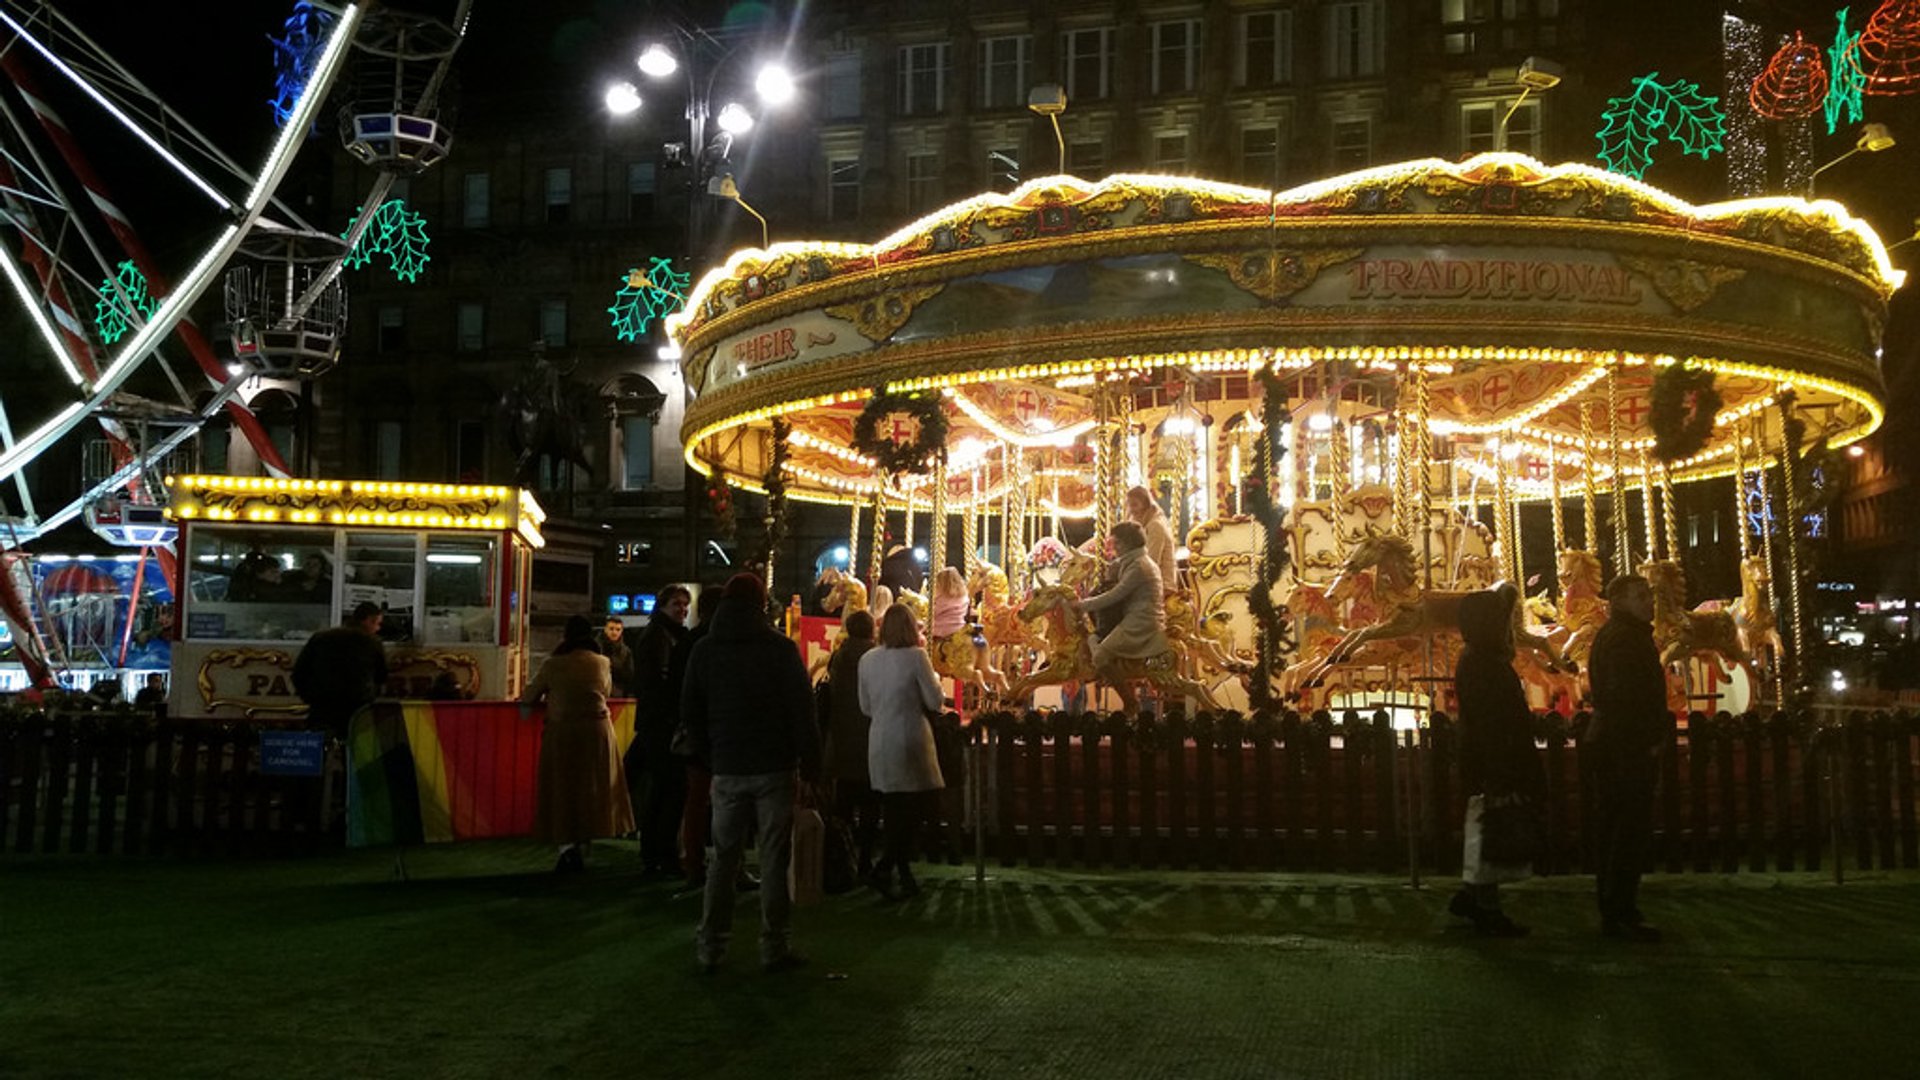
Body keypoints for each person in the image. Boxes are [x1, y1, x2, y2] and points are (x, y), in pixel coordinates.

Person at [682, 573, 819, 974]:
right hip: (774, 765)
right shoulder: (779, 649)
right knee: (774, 857)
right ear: (762, 604)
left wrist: (712, 756)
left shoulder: (705, 650)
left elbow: (690, 711)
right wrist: (810, 763)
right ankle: (773, 945)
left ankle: (711, 945)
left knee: (723, 858)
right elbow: (802, 711)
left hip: (727, 766)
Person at [1447, 582, 1546, 938]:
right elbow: (1492, 716)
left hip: (1488, 754)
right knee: (1491, 826)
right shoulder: (1482, 662)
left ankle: (1472, 893)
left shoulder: (1479, 657)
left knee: (1484, 826)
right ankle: (1485, 906)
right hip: (1492, 757)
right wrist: (1503, 762)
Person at [1586, 573, 1669, 942]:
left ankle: (1617, 905)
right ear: (1618, 601)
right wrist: (1645, 740)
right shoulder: (1624, 640)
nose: (1648, 601)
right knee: (1626, 829)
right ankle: (1618, 909)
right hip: (1626, 749)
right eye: (1640, 596)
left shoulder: (1623, 636)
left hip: (1620, 745)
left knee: (1618, 828)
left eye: (1649, 595)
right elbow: (1625, 698)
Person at [522, 615, 634, 872]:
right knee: (592, 788)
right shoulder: (602, 663)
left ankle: (567, 846)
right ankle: (585, 839)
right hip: (598, 731)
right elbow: (605, 692)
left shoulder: (553, 664)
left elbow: (530, 696)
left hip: (563, 732)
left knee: (563, 788)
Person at [857, 604, 945, 901]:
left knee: (895, 809)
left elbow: (865, 706)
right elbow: (934, 701)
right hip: (910, 739)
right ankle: (885, 868)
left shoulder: (867, 660)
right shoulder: (916, 657)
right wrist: (937, 686)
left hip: (880, 739)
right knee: (913, 810)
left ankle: (900, 874)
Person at [627, 586, 691, 877]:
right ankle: (661, 853)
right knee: (669, 791)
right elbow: (660, 681)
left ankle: (655, 852)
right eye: (677, 604)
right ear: (663, 605)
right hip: (662, 724)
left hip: (656, 722)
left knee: (662, 791)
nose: (682, 609)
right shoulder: (661, 637)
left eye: (685, 604)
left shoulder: (662, 634)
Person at [1074, 522, 1168, 708]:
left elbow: (1115, 595)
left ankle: (1130, 701)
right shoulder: (1134, 562)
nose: (1113, 546)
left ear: (1126, 543)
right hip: (1134, 617)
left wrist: (1082, 606)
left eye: (1116, 542)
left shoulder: (1139, 567)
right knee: (1093, 639)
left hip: (1140, 622)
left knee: (1099, 656)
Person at [670, 586, 725, 888]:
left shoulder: (689, 641)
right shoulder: (712, 644)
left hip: (694, 730)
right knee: (719, 800)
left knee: (696, 800)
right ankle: (715, 862)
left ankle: (693, 861)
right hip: (713, 730)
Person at [825, 609, 881, 877]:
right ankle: (865, 859)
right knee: (870, 803)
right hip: (870, 736)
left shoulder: (839, 656)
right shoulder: (875, 657)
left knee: (844, 803)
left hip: (842, 736)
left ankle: (841, 856)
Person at [291, 602, 388, 738]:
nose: (378, 628)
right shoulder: (372, 643)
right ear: (368, 620)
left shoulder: (320, 638)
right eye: (377, 623)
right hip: (357, 706)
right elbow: (381, 675)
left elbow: (299, 673)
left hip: (322, 705)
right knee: (354, 750)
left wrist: (310, 697)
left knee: (319, 747)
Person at [1125, 485, 1179, 594]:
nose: (1131, 510)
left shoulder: (1155, 525)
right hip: (1151, 581)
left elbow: (1152, 561)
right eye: (1129, 505)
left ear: (1145, 505)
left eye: (1135, 505)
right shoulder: (1143, 522)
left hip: (1162, 585)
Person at [596, 615, 635, 698]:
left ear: (622, 631)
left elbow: (629, 676)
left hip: (618, 695)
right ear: (605, 629)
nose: (614, 632)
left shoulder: (626, 651)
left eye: (618, 629)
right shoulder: (596, 647)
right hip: (598, 693)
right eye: (611, 629)